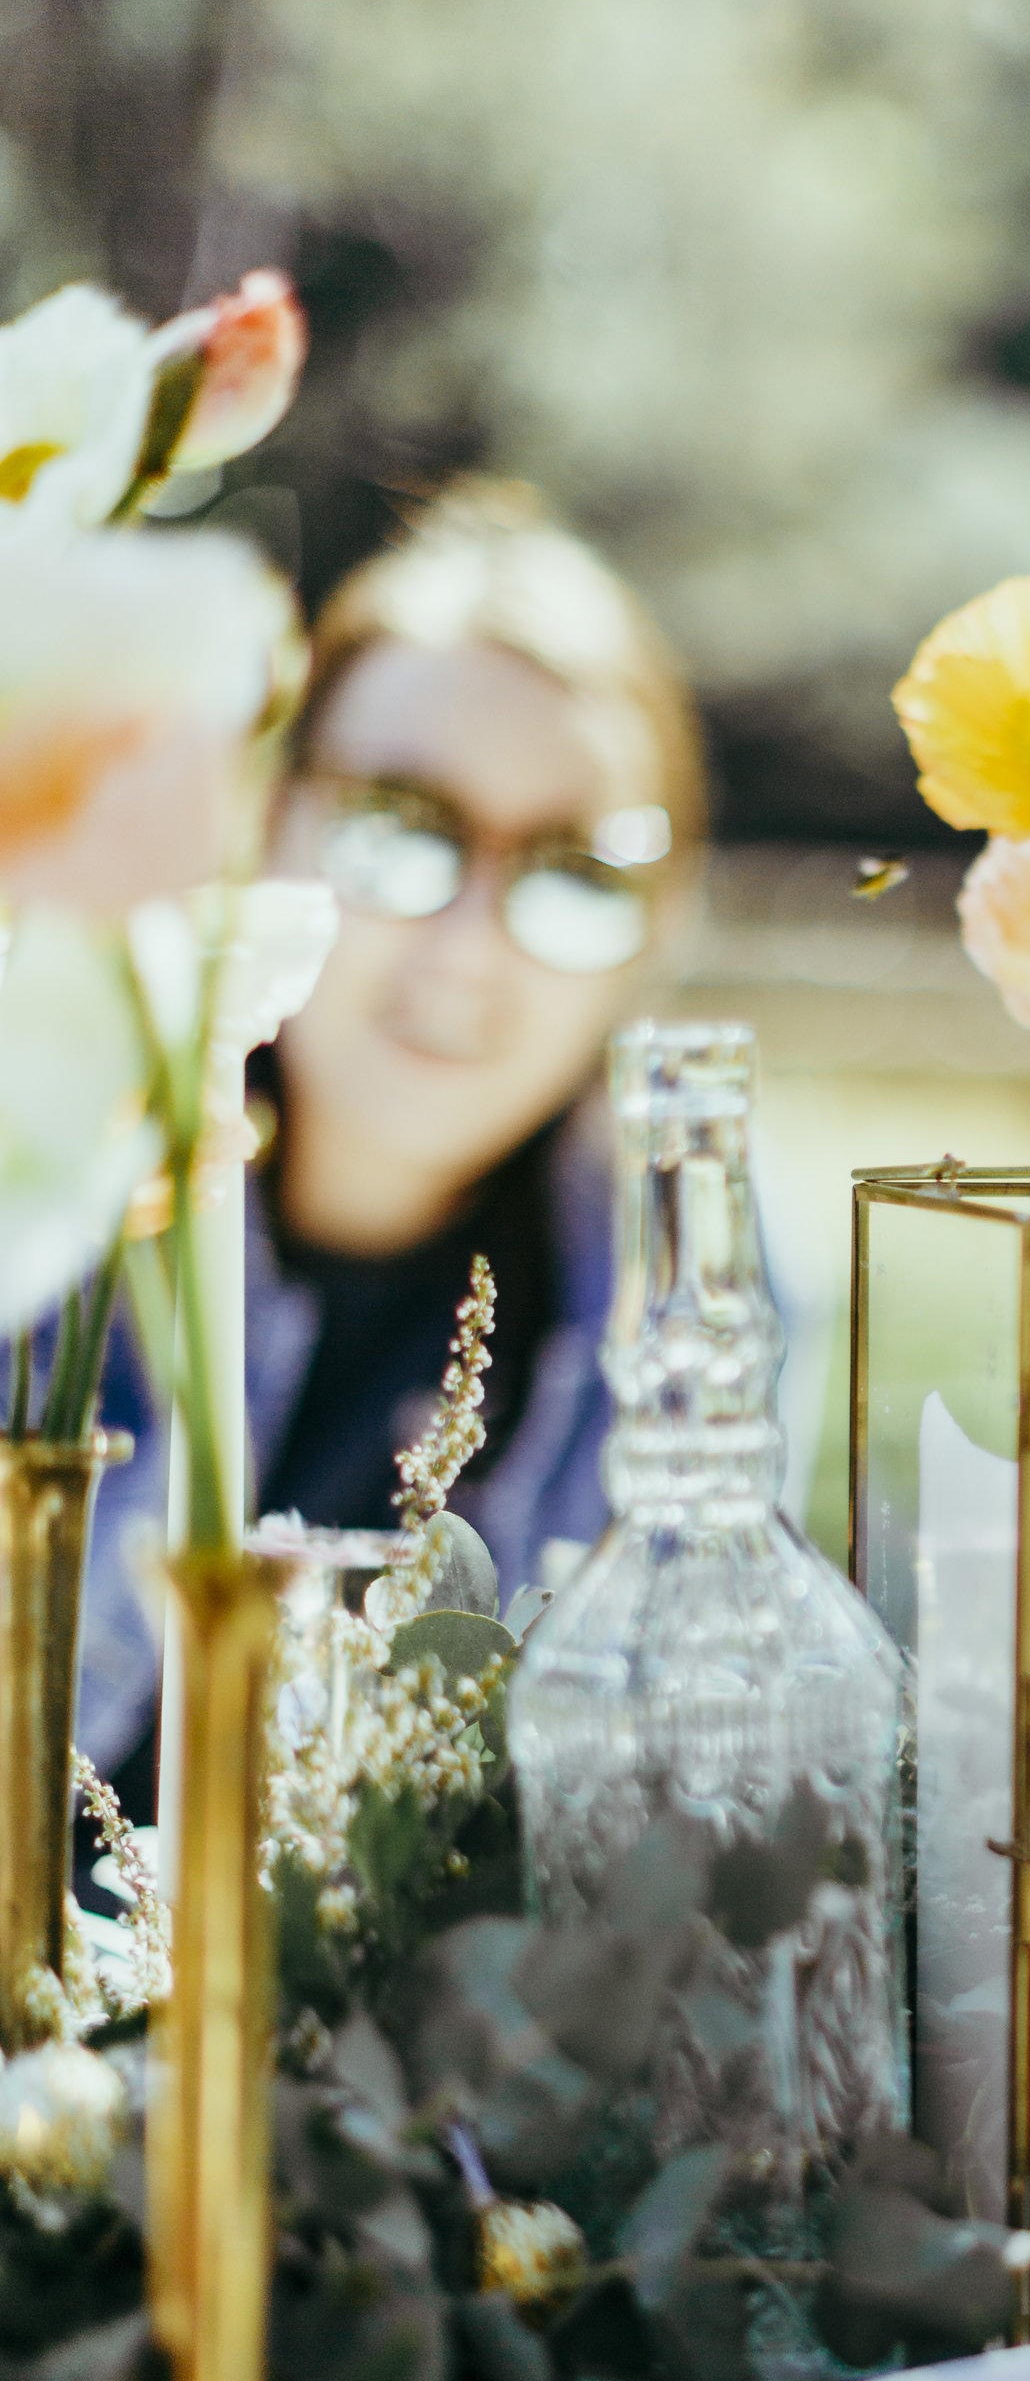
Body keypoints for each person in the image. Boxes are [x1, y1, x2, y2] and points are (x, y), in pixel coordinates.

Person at [82, 479, 709, 1797]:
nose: (469, 945)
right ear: (263, 824)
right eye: (398, 828)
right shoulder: (47, 1198)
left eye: (576, 872)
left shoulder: (698, 1290)